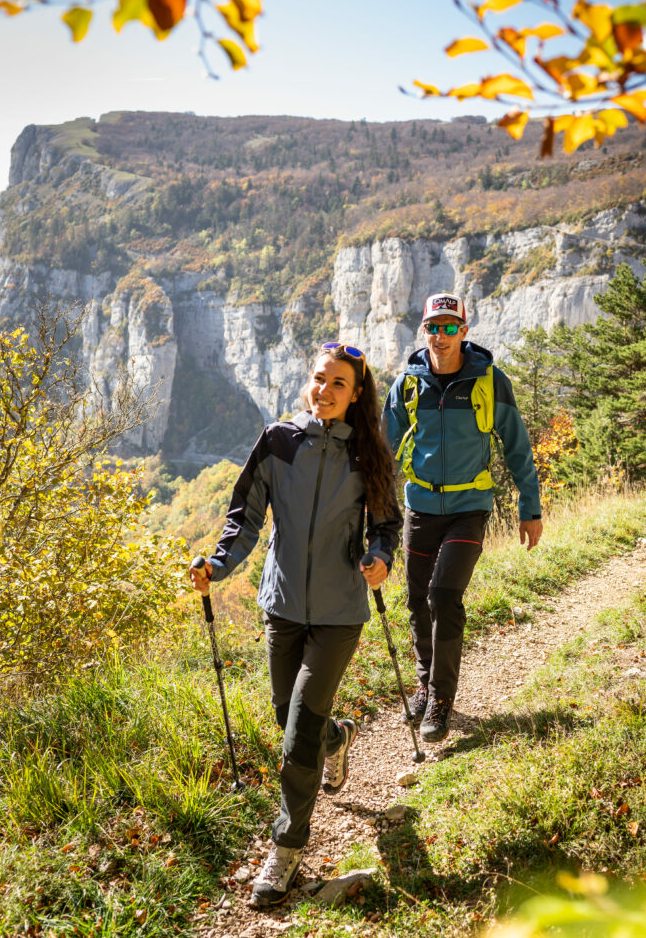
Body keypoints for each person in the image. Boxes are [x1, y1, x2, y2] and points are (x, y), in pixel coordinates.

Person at [190, 342, 401, 910]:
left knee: (297, 733)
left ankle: (286, 848)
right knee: (291, 718)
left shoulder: (369, 453)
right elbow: (246, 516)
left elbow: (386, 524)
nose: (324, 391)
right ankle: (339, 738)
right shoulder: (279, 440)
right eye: (318, 379)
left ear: (356, 395)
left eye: (338, 384)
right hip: (281, 606)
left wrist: (381, 558)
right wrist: (217, 563)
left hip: (339, 613)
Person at [383, 293, 542, 743]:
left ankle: (441, 698)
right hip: (421, 507)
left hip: (469, 510)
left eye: (450, 327)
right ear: (424, 332)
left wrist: (529, 508)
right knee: (416, 599)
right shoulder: (407, 385)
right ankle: (424, 682)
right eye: (433, 327)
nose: (441, 335)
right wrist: (366, 507)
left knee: (441, 596)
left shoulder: (489, 381)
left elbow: (517, 446)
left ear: (464, 331)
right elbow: (384, 453)